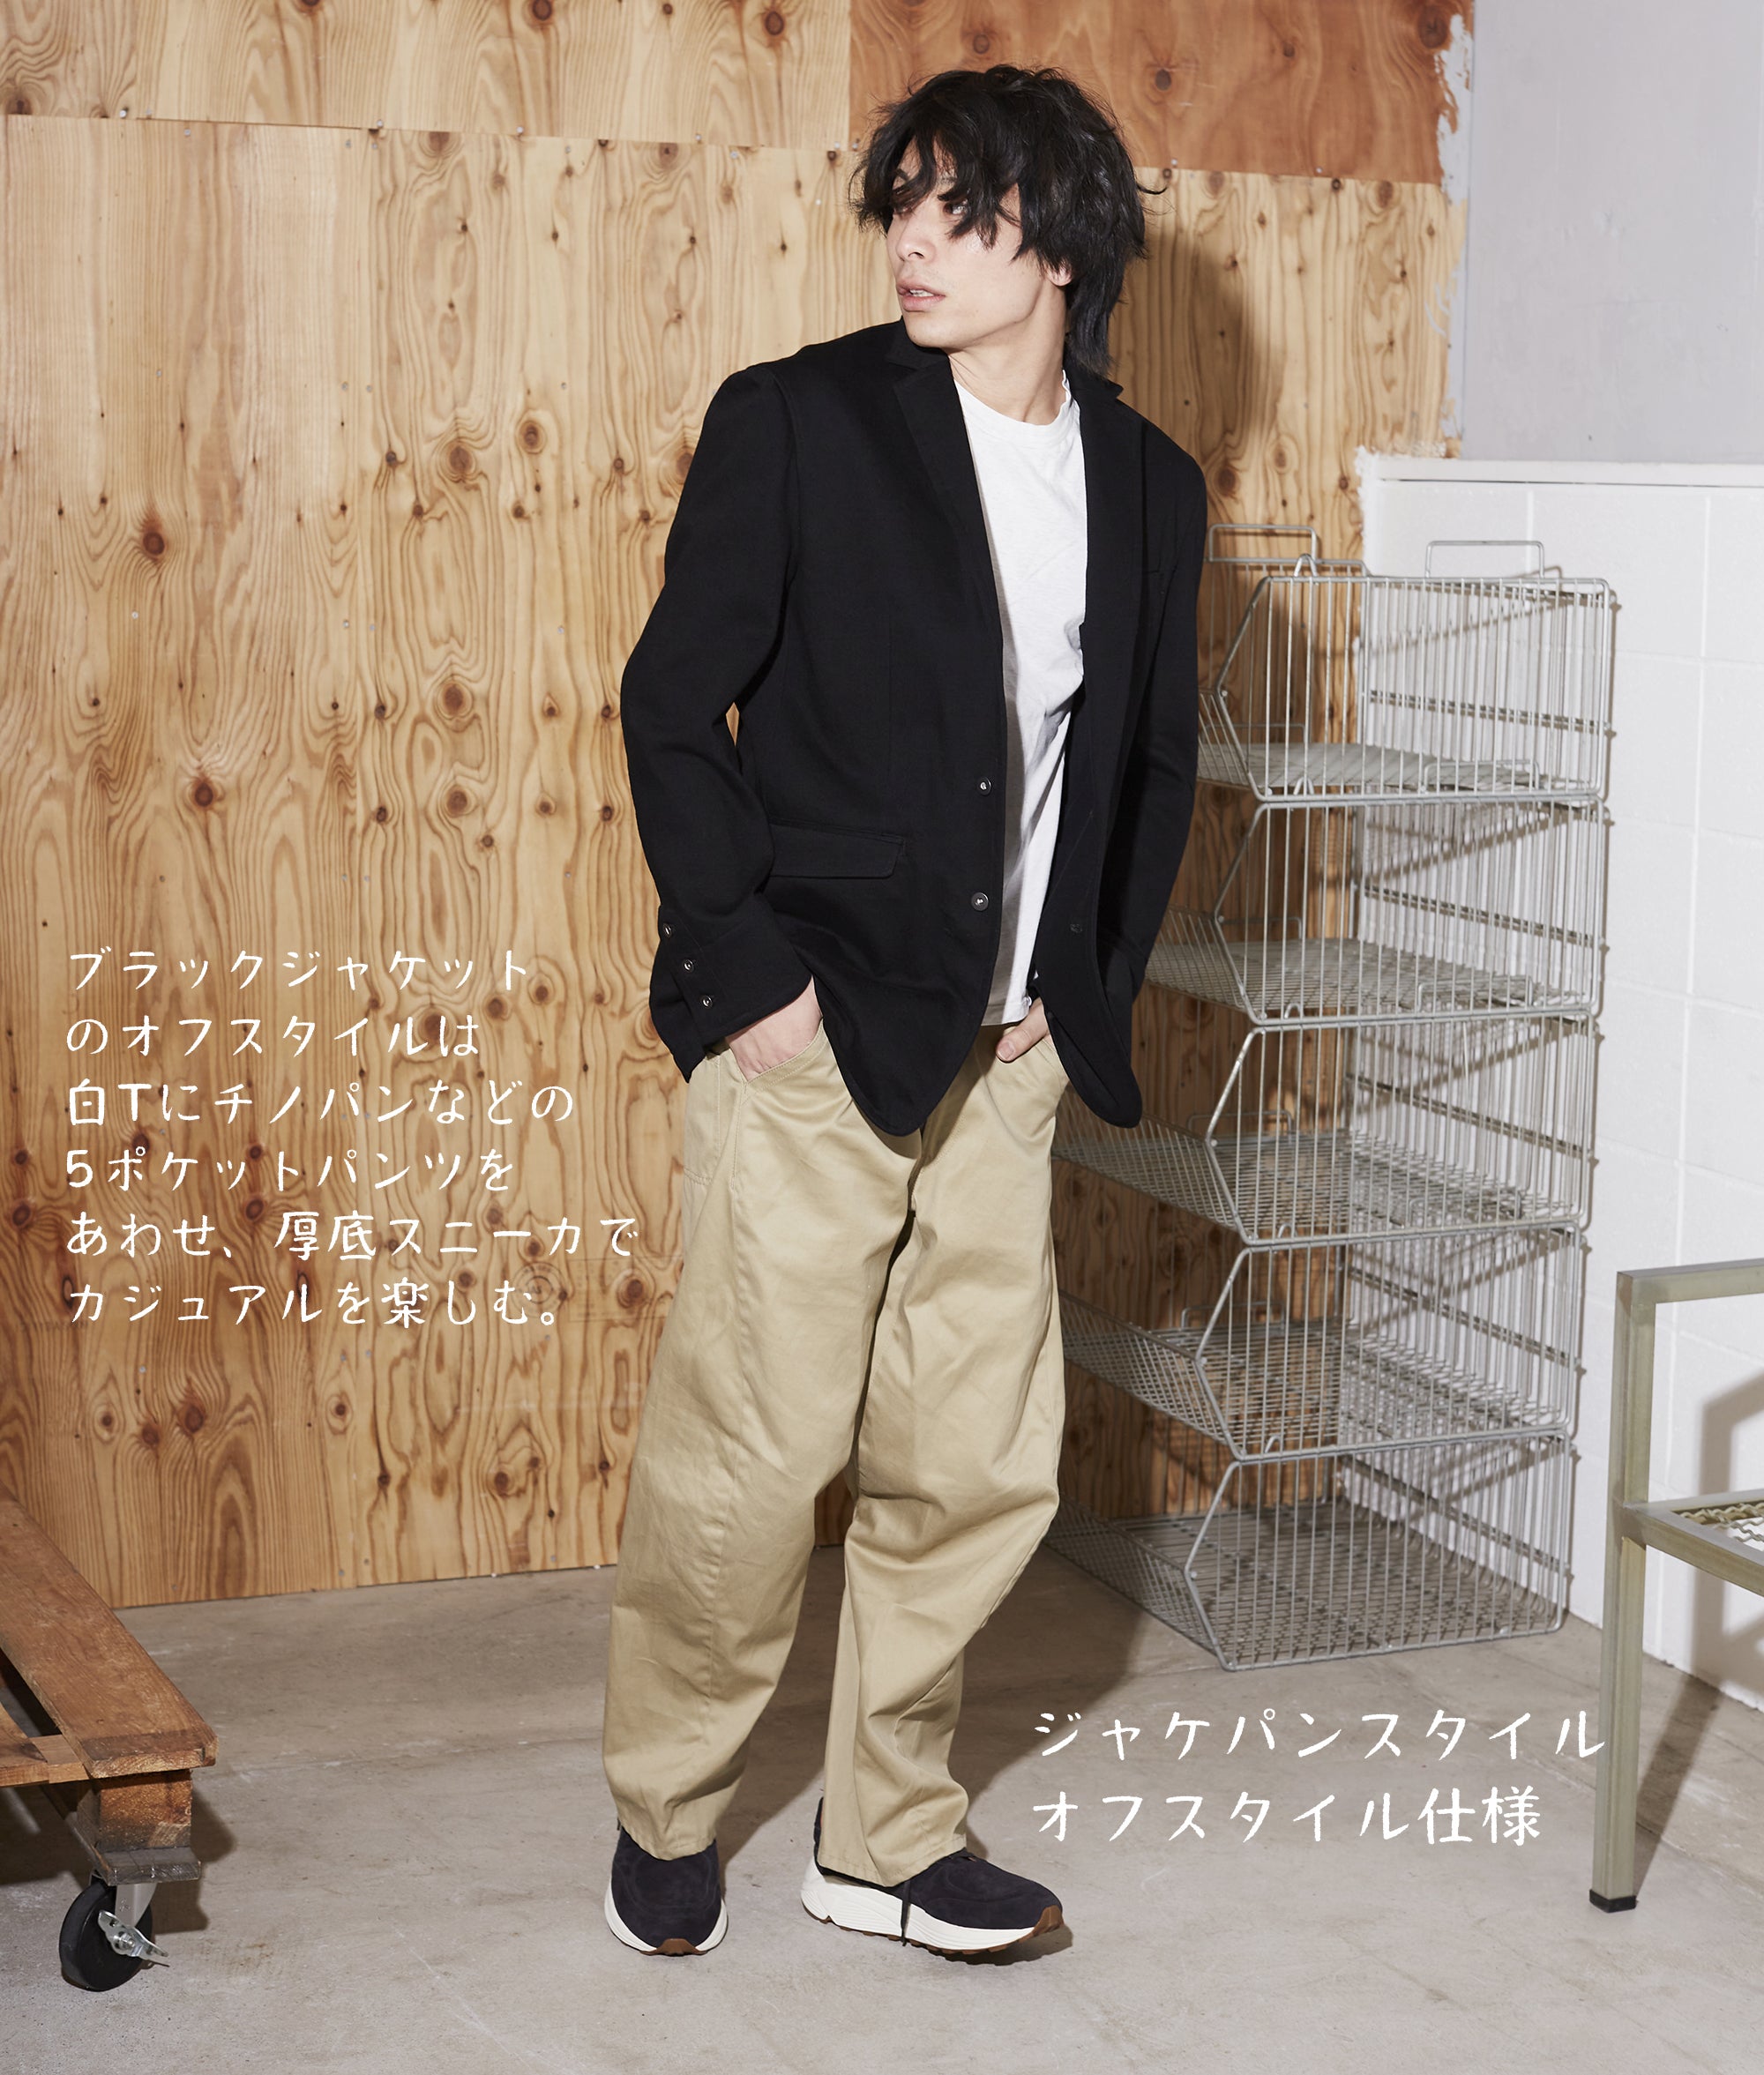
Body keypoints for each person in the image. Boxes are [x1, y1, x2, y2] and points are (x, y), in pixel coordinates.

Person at [601, 62, 1207, 1959]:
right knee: (753, 1454)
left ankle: (883, 1835)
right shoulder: (801, 421)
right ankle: (668, 1807)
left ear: (1062, 245)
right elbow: (669, 704)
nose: (913, 243)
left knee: (972, 1465)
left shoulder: (1147, 483)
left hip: (1004, 1061)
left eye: (962, 210)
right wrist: (752, 976)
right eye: (903, 205)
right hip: (812, 1041)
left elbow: (1146, 770)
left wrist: (1076, 999)